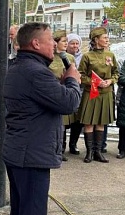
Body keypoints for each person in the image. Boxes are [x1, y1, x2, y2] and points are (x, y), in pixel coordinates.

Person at [3, 22, 81, 215]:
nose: (54, 46)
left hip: (21, 152)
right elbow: (69, 103)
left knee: (21, 212)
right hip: (31, 156)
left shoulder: (20, 67)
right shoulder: (36, 72)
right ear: (36, 43)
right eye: (50, 41)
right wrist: (73, 80)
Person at [78, 27, 118, 163]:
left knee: (101, 122)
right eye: (104, 37)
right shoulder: (87, 56)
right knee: (89, 122)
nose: (107, 39)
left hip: (105, 93)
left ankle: (98, 152)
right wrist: (94, 82)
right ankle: (89, 152)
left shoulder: (111, 55)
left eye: (107, 37)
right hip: (91, 93)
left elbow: (116, 73)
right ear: (96, 39)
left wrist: (110, 81)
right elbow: (81, 76)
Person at [49, 30, 77, 161]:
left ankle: (62, 149)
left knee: (64, 124)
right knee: (55, 124)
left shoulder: (69, 58)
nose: (66, 43)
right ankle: (54, 149)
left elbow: (75, 74)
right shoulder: (49, 57)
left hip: (66, 91)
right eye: (64, 41)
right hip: (53, 91)